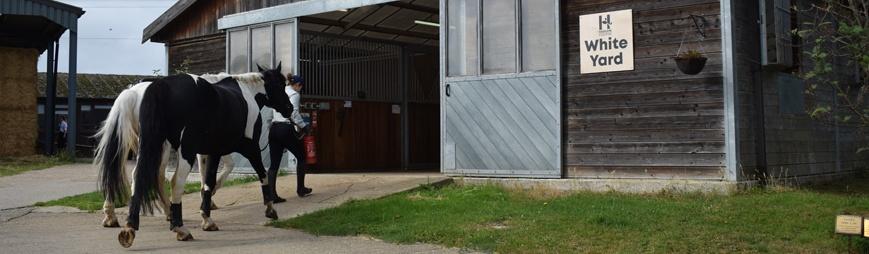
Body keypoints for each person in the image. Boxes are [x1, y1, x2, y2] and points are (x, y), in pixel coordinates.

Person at [268, 74, 313, 202]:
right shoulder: (294, 94)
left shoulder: (281, 92)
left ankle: (272, 195)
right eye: (301, 87)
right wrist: (304, 127)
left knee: (274, 164)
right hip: (285, 129)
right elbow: (293, 112)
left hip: (274, 128)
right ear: (298, 85)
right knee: (302, 157)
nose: (300, 89)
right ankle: (301, 189)